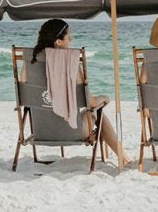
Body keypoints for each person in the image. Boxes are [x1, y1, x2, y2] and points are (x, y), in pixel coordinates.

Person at [21, 19, 131, 164]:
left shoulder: (29, 62)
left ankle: (120, 156)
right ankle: (124, 159)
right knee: (99, 113)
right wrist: (104, 98)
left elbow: (24, 95)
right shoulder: (71, 62)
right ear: (58, 42)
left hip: (40, 130)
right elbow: (90, 103)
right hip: (72, 131)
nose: (71, 39)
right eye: (68, 36)